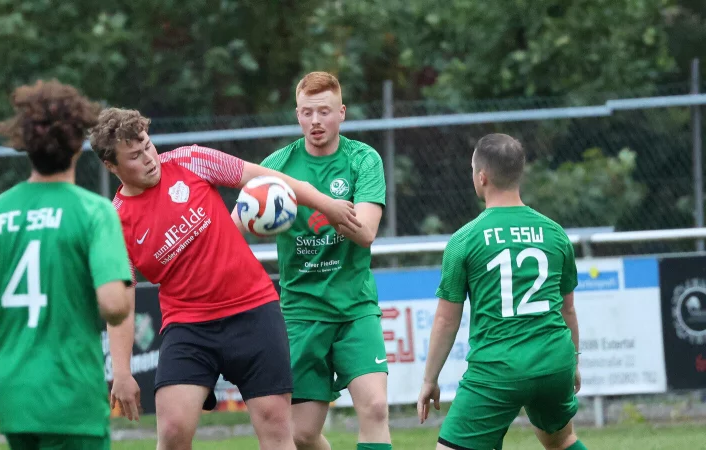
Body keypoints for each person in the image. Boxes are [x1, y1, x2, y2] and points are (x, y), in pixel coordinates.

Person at [88, 107, 362, 450]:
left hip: (254, 312)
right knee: (172, 432)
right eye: (134, 156)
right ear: (111, 166)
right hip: (188, 328)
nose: (148, 158)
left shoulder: (191, 160)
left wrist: (326, 204)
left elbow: (266, 178)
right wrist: (123, 372)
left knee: (279, 431)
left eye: (147, 145)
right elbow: (121, 303)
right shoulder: (116, 222)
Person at [0, 80, 133, 450]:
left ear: (25, 145)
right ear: (78, 147)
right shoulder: (93, 212)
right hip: (71, 394)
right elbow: (114, 305)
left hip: (15, 393)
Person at [232, 71, 392, 450]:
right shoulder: (278, 165)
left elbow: (366, 231)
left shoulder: (363, 160)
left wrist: (326, 209)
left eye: (324, 112)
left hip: (355, 308)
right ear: (297, 115)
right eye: (307, 113)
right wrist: (254, 219)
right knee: (302, 434)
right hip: (301, 311)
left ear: (342, 113)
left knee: (376, 407)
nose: (315, 121)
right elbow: (236, 224)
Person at [417, 133, 587, 450]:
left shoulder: (465, 240)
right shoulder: (554, 233)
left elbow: (445, 321)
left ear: (481, 177)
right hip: (554, 361)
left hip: (498, 369)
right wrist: (574, 361)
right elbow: (568, 311)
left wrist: (429, 380)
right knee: (562, 440)